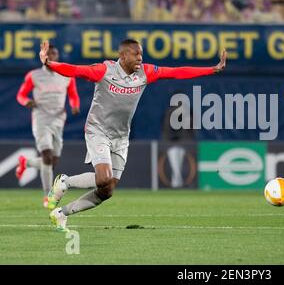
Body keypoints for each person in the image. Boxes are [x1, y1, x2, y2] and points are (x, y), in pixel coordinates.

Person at [39, 39, 227, 232]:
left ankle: (61, 214)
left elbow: (176, 71)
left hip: (121, 137)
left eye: (141, 54)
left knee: (107, 191)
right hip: (98, 131)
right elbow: (75, 70)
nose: (140, 58)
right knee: (103, 178)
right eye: (135, 54)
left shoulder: (145, 72)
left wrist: (210, 69)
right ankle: (64, 181)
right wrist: (49, 63)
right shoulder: (104, 70)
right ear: (123, 56)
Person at [16, 44, 80, 208]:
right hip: (41, 118)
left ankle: (26, 162)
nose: (51, 56)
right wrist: (26, 101)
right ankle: (48, 196)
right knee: (47, 155)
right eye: (48, 54)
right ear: (43, 56)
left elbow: (73, 95)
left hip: (58, 120)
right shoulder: (34, 75)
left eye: (54, 54)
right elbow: (21, 95)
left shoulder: (66, 75)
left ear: (57, 56)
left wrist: (74, 105)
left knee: (53, 161)